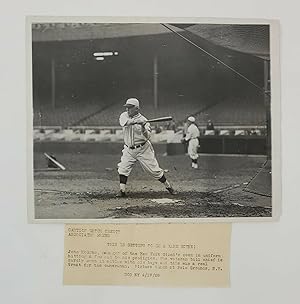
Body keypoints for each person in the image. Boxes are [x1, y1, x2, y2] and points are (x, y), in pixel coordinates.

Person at [117, 98, 176, 197]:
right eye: (127, 107)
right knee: (123, 168)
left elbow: (148, 136)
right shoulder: (124, 116)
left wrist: (143, 126)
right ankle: (122, 191)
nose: (127, 110)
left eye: (130, 108)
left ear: (136, 108)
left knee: (154, 171)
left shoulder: (145, 121)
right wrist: (136, 121)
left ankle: (169, 187)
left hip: (143, 149)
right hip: (128, 149)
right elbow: (125, 123)